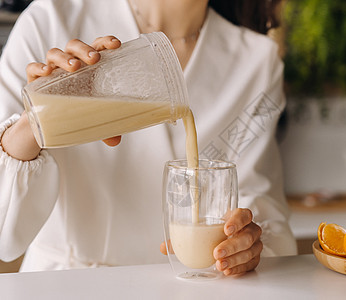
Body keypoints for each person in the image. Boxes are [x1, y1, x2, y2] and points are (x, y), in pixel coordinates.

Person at [0, 0, 297, 275]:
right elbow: (4, 238)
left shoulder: (257, 60)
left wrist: (245, 248)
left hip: (185, 287)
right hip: (65, 283)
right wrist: (37, 119)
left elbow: (264, 214)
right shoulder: (50, 19)